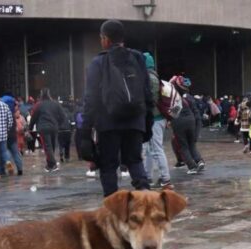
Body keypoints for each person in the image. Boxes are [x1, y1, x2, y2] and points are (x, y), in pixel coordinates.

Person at [79, 20, 152, 196]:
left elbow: (91, 99)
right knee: (135, 161)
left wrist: (85, 130)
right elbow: (147, 92)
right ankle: (147, 202)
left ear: (105, 39)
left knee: (108, 166)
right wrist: (146, 121)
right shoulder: (138, 58)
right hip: (135, 120)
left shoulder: (98, 62)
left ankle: (113, 209)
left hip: (108, 123)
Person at [141, 52, 172, 188]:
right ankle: (148, 176)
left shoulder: (149, 78)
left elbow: (150, 100)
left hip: (155, 118)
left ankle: (165, 178)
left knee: (156, 149)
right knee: (149, 149)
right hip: (155, 118)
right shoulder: (153, 76)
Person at [30, 88, 67, 173]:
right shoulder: (56, 104)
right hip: (54, 127)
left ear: (41, 95)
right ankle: (49, 164)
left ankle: (53, 164)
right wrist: (59, 124)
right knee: (52, 146)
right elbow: (63, 116)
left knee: (47, 147)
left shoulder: (38, 105)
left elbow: (34, 117)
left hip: (43, 128)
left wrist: (30, 128)